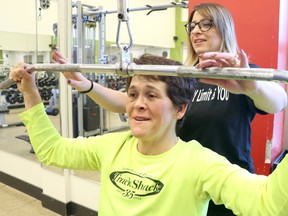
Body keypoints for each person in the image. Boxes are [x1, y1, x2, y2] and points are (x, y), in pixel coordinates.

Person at [52, 3, 287, 215]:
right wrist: (88, 86)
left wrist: (253, 88)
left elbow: (278, 102)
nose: (196, 31)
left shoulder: (242, 74)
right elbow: (133, 102)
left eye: (206, 24)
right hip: (185, 184)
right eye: (192, 25)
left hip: (227, 183)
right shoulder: (183, 75)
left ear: (224, 28)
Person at [9, 55, 288, 216]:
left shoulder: (199, 163)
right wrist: (30, 93)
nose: (137, 104)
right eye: (132, 95)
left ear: (180, 109)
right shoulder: (113, 146)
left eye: (151, 95)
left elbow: (267, 202)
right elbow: (51, 151)